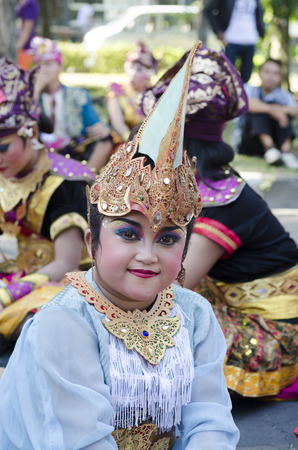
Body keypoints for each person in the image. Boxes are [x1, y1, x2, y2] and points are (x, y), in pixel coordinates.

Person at [0, 43, 240, 449]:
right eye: (128, 233)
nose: (148, 255)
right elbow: (80, 441)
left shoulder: (194, 315)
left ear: (185, 249)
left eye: (167, 239)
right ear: (92, 241)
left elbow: (210, 420)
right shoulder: (65, 323)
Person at [140, 46, 298, 400]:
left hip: (274, 327)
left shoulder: (219, 201)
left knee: (157, 335)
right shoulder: (199, 183)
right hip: (226, 298)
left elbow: (169, 288)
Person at [0, 58, 95, 365]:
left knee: (37, 322)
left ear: (30, 132)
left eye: (3, 147)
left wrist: (10, 292)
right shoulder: (7, 173)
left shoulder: (64, 180)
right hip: (14, 273)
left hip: (65, 281)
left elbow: (66, 262)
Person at [30, 36, 113, 173]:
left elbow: (95, 126)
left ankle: (86, 179)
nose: (42, 70)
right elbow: (25, 125)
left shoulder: (78, 95)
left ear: (60, 66)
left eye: (48, 64)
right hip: (40, 154)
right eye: (38, 65)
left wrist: (103, 130)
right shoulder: (30, 97)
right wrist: (35, 92)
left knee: (105, 141)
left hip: (73, 152)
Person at [238, 57, 298, 169]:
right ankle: (269, 149)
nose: (270, 77)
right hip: (251, 141)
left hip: (277, 141)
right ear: (260, 73)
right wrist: (272, 109)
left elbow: (294, 110)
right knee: (258, 110)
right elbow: (247, 104)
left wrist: (280, 111)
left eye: (275, 73)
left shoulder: (284, 95)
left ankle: (285, 152)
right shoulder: (249, 89)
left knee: (283, 112)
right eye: (267, 72)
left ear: (280, 78)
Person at [107, 41, 158, 145]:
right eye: (131, 67)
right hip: (125, 145)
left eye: (139, 69)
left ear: (149, 73)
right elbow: (118, 124)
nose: (133, 73)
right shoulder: (117, 92)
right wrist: (133, 141)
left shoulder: (156, 94)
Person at [205, 0, 265, 83]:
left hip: (250, 40)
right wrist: (218, 31)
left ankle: (242, 95)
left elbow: (259, 12)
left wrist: (260, 30)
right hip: (231, 40)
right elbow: (209, 10)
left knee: (246, 76)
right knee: (227, 74)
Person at [15, 0, 39, 70]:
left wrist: (17, 47)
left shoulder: (29, 3)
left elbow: (27, 29)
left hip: (25, 48)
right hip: (20, 47)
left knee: (21, 76)